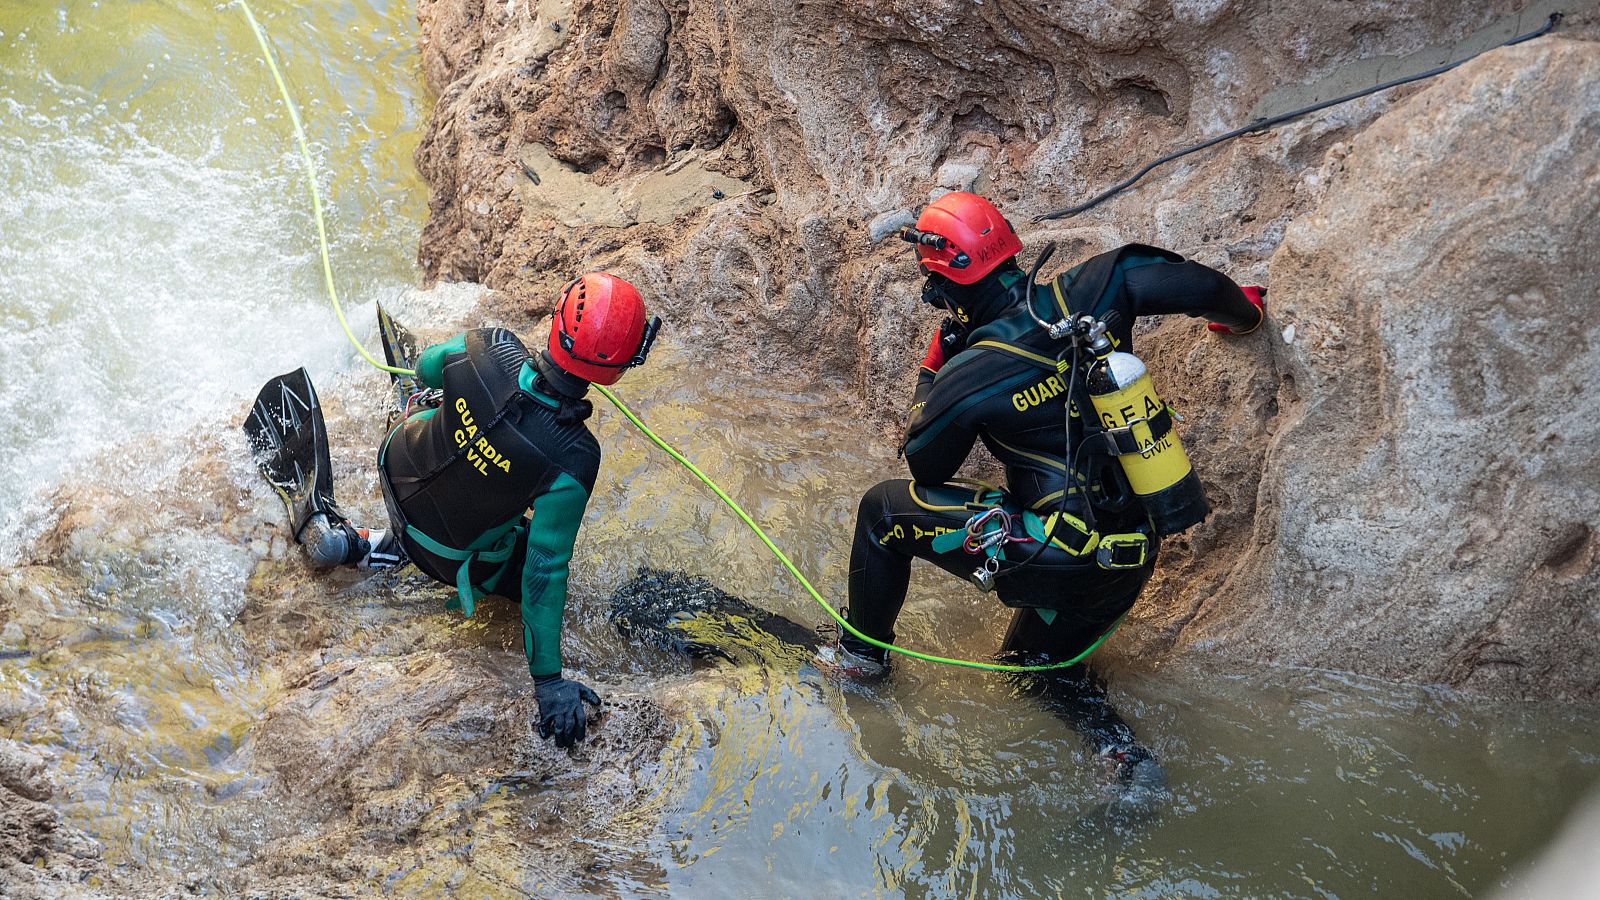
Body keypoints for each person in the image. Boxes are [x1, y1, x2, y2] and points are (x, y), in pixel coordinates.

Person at [824, 191, 1264, 791]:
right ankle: (1124, 761)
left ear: (946, 285)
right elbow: (1206, 288)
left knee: (881, 511)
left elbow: (925, 465)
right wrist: (1244, 316)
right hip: (1133, 552)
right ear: (1007, 250)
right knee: (1033, 671)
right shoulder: (1101, 284)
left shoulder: (971, 372)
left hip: (1057, 557)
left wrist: (935, 370)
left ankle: (859, 661)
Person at [245, 273, 659, 749]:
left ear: (557, 317)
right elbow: (547, 571)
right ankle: (389, 547)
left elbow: (424, 365)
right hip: (444, 555)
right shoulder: (575, 457)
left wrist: (461, 405)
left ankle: (368, 542)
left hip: (394, 465)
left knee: (441, 412)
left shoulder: (490, 346)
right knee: (529, 557)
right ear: (619, 367)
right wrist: (548, 682)